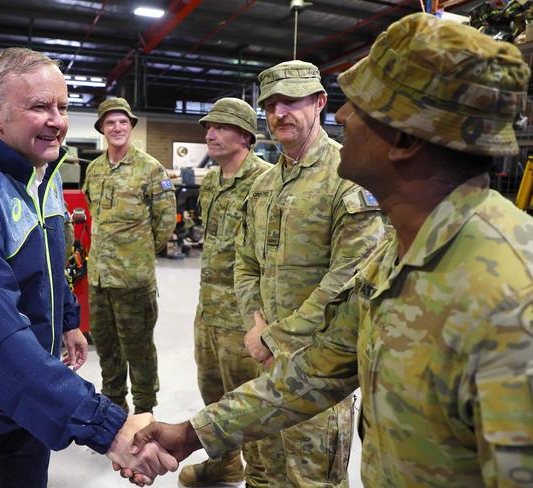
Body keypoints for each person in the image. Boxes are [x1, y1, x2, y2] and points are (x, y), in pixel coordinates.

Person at [127, 12, 533, 488]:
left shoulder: (509, 294)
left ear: (402, 138)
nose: (342, 116)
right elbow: (318, 373)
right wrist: (191, 434)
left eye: (359, 106)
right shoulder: (399, 259)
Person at [0, 47, 177, 487]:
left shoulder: (40, 170)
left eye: (63, 106)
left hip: (29, 395)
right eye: (39, 107)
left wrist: (68, 319)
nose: (57, 120)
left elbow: (52, 261)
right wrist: (107, 426)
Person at [234, 60, 387, 487]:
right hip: (265, 362)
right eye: (271, 104)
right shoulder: (263, 185)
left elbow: (349, 278)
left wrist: (276, 338)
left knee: (310, 480)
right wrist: (256, 324)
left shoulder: (348, 176)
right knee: (263, 473)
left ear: (319, 102)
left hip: (318, 370)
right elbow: (244, 262)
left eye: (291, 101)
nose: (280, 112)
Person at [178, 98, 272, 487]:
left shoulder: (266, 181)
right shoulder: (213, 180)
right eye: (207, 128)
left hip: (244, 315)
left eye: (221, 127)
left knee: (250, 402)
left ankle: (262, 476)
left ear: (246, 136)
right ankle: (225, 463)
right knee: (213, 394)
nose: (210, 134)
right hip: (209, 311)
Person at [83, 97, 176, 415]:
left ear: (131, 126)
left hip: (133, 281)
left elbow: (165, 220)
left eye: (123, 121)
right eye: (110, 123)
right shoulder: (94, 169)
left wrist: (140, 254)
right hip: (99, 279)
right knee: (106, 347)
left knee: (138, 350)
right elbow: (93, 211)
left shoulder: (152, 169)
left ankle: (145, 410)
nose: (117, 127)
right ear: (102, 129)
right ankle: (113, 405)